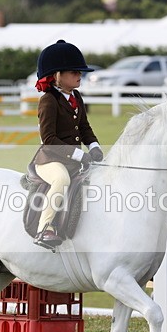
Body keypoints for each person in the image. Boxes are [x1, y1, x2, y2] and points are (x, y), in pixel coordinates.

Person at [30, 40, 101, 248]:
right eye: (74, 72)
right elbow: (49, 139)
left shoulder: (76, 96)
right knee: (61, 180)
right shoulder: (48, 100)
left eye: (80, 72)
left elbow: (84, 127)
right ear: (57, 75)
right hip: (49, 160)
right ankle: (45, 228)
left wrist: (94, 147)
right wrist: (79, 155)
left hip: (72, 159)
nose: (79, 75)